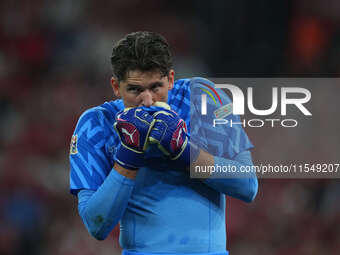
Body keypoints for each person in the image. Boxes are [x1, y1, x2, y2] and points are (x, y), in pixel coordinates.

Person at [69, 31, 258, 255]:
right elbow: (96, 224)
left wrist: (183, 151)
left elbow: (247, 185)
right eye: (135, 90)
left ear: (170, 79)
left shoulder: (201, 99)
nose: (147, 101)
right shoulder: (97, 124)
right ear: (116, 86)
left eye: (156, 87)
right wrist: (129, 155)